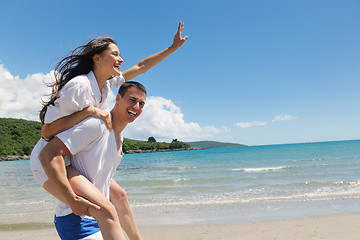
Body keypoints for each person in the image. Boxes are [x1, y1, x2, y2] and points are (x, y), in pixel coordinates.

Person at [30, 21, 188, 239]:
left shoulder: (105, 85)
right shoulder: (79, 86)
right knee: (105, 210)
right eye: (115, 54)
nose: (121, 59)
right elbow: (47, 133)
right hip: (48, 161)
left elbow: (141, 66)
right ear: (97, 58)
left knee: (119, 196)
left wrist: (172, 48)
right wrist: (88, 111)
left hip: (72, 154)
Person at [39, 81, 147, 240]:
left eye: (141, 104)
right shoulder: (96, 125)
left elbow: (108, 185)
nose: (136, 107)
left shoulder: (118, 138)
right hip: (77, 218)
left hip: (100, 218)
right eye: (132, 100)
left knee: (120, 195)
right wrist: (71, 198)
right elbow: (48, 154)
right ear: (118, 99)